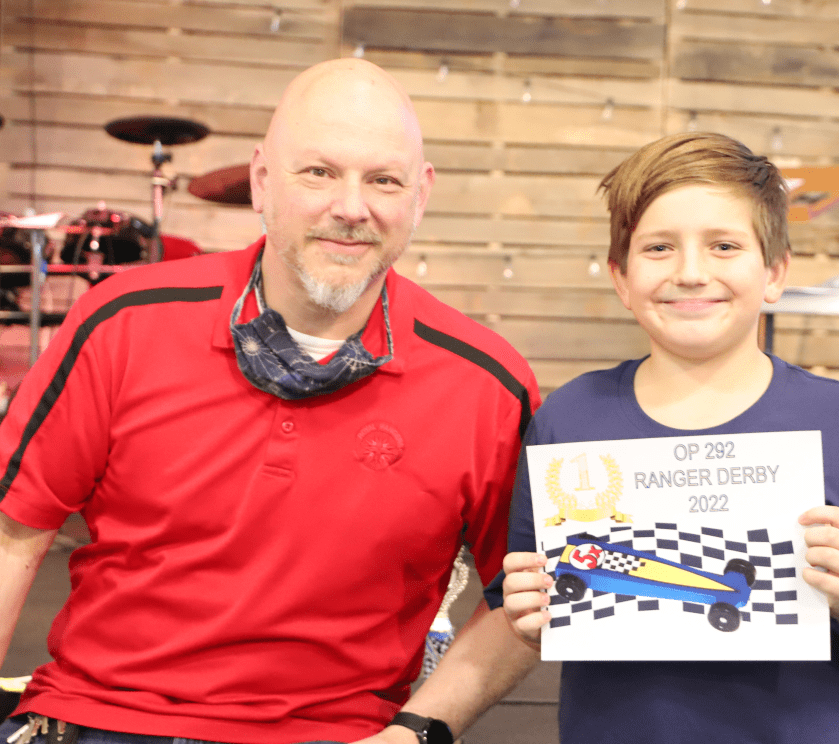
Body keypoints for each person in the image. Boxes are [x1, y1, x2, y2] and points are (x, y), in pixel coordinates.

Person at [0, 59, 542, 744]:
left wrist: (413, 733)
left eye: (384, 180)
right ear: (261, 180)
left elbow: (521, 604)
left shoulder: (488, 385)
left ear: (420, 195)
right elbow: (14, 536)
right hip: (99, 720)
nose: (352, 207)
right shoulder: (123, 323)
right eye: (319, 172)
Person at [496, 132, 839, 743]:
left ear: (774, 272)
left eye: (724, 245)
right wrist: (530, 615)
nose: (691, 273)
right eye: (658, 248)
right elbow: (534, 607)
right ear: (621, 278)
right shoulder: (570, 419)